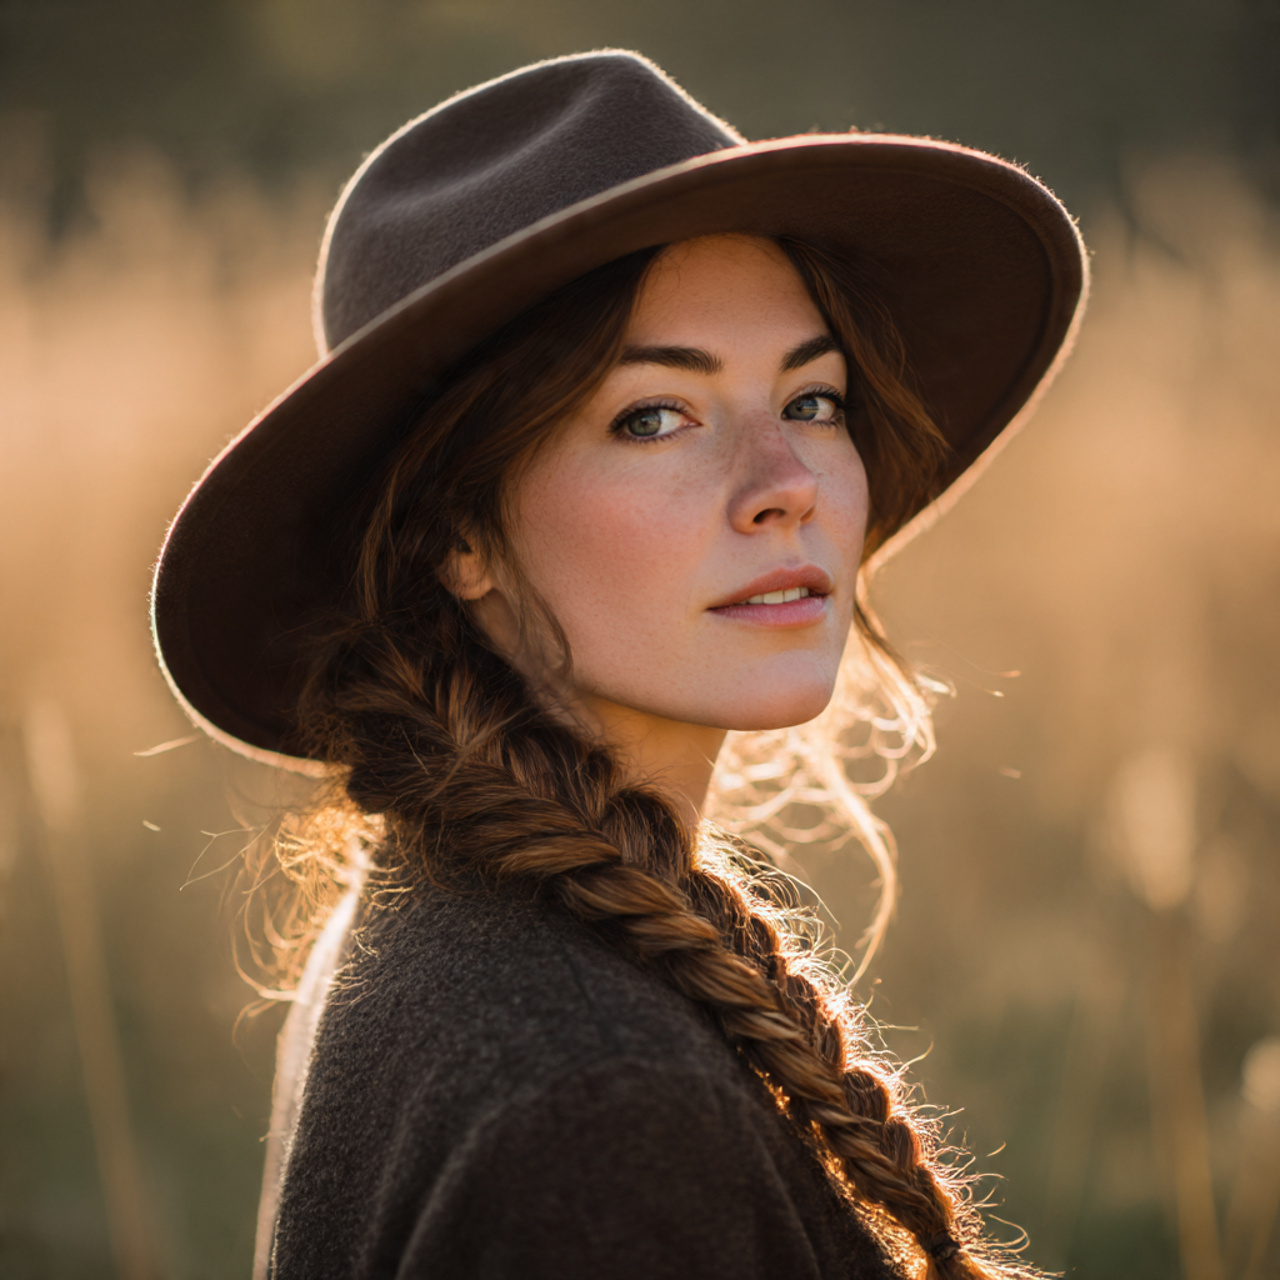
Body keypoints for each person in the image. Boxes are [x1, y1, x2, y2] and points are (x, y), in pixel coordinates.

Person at [152, 51, 1087, 1280]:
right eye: (654, 415)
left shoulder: (441, 912)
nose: (786, 484)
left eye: (811, 399)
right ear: (455, 532)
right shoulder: (599, 1102)